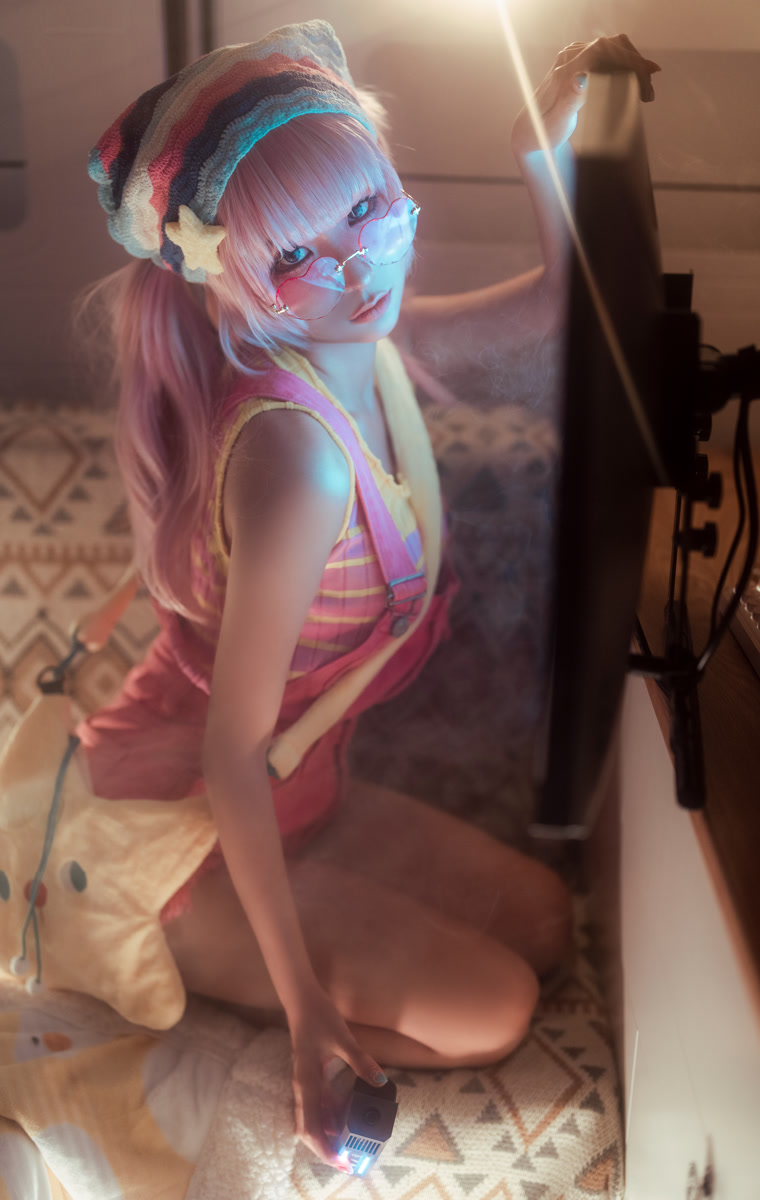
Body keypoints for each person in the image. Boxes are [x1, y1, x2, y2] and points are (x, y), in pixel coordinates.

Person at [77, 21, 659, 1172]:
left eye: (364, 207)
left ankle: (290, 949)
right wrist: (304, 1010)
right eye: (297, 253)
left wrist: (536, 148)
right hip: (169, 834)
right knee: (492, 1009)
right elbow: (230, 758)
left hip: (301, 792)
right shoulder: (297, 461)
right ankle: (220, 998)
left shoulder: (358, 342)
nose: (355, 268)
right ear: (234, 280)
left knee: (545, 922)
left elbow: (557, 312)